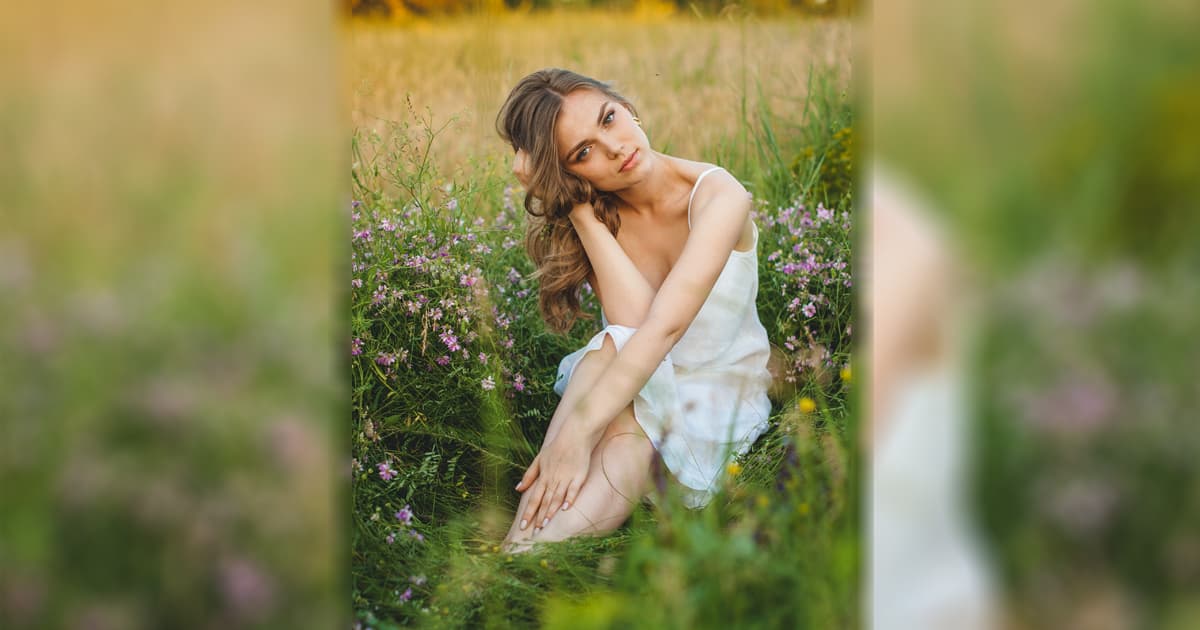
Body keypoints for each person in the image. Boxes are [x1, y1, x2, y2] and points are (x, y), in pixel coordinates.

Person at [495, 68, 772, 551]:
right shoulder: (601, 214)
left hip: (716, 391)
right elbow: (633, 325)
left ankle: (515, 561)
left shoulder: (719, 195)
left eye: (609, 119)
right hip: (635, 371)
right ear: (569, 173)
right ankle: (519, 546)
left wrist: (579, 432)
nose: (614, 148)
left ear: (628, 108)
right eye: (582, 153)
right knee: (608, 347)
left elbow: (662, 329)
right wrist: (575, 207)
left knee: (625, 427)